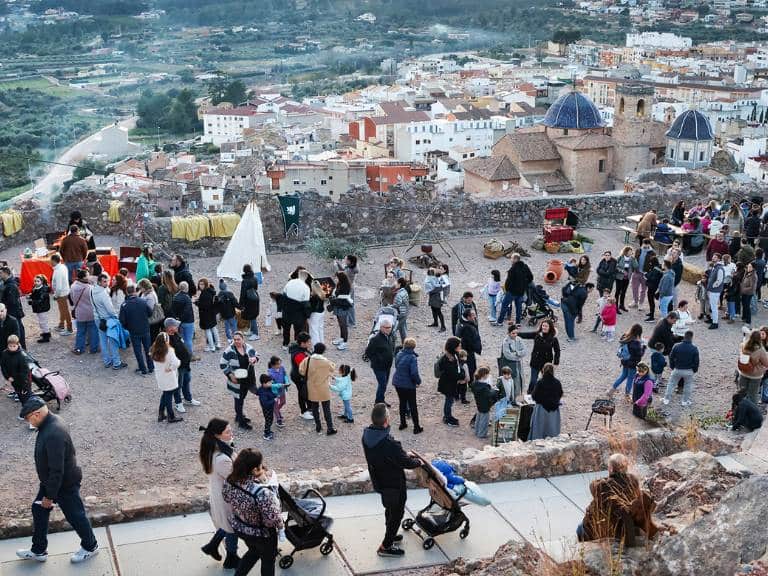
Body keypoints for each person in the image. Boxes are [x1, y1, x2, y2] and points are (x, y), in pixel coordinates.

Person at [15, 397, 99, 564]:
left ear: (37, 414)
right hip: (52, 482)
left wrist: (49, 496)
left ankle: (91, 546)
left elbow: (57, 470)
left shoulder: (53, 432)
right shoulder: (50, 421)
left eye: (28, 418)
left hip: (63, 484)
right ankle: (39, 550)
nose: (28, 423)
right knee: (38, 510)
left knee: (75, 515)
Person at [362, 403, 422, 558]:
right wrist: (418, 462)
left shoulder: (367, 436)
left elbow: (392, 456)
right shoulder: (389, 444)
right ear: (386, 421)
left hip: (380, 481)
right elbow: (406, 462)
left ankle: (391, 533)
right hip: (394, 483)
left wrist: (400, 454)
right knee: (396, 513)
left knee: (389, 509)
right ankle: (386, 546)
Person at [221, 449, 283, 576]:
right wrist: (271, 489)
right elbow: (272, 519)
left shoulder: (230, 480)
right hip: (262, 535)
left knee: (253, 552)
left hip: (241, 528)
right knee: (267, 562)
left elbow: (226, 497)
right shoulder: (262, 493)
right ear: (255, 470)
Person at [199, 418, 240, 569]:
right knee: (232, 527)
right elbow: (235, 478)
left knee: (226, 523)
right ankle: (231, 558)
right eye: (227, 432)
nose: (231, 433)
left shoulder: (212, 449)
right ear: (218, 435)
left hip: (219, 494)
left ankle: (212, 546)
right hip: (226, 499)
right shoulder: (222, 458)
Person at [577, 454, 645, 542]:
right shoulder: (633, 480)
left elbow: (592, 487)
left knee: (579, 528)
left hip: (610, 528)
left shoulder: (602, 484)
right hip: (627, 524)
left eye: (609, 467)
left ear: (611, 469)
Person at [220, 331, 259, 430]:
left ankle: (239, 416)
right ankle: (241, 422)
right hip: (237, 381)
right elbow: (223, 364)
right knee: (239, 400)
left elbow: (257, 356)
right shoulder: (229, 351)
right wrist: (230, 375)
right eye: (235, 339)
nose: (236, 341)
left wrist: (254, 359)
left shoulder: (248, 347)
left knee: (243, 397)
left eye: (238, 339)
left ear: (243, 339)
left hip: (249, 378)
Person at [163, 317, 200, 412]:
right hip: (178, 367)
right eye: (176, 325)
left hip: (185, 364)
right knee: (177, 385)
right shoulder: (166, 339)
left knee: (186, 381)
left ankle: (188, 399)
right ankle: (178, 403)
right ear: (170, 327)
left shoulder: (176, 334)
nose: (178, 326)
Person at [299, 342, 337, 435]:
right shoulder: (326, 362)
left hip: (312, 388)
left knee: (315, 408)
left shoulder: (307, 360)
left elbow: (301, 371)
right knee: (326, 409)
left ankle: (318, 427)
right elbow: (333, 368)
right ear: (323, 351)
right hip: (323, 388)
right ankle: (330, 428)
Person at [91, 274, 126, 370]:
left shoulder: (92, 290)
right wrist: (116, 317)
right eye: (104, 281)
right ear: (99, 282)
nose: (107, 283)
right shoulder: (103, 294)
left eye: (107, 281)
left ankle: (107, 361)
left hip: (97, 318)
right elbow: (110, 309)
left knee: (102, 341)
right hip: (107, 319)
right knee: (113, 341)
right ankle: (116, 363)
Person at [119, 284, 154, 376]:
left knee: (138, 351)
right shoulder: (142, 301)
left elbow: (122, 320)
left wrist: (128, 327)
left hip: (133, 331)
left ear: (127, 292)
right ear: (135, 291)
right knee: (148, 349)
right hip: (145, 329)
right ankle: (151, 367)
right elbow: (150, 313)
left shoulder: (124, 305)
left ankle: (143, 369)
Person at [519, 318, 560, 394]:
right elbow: (526, 335)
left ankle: (545, 395)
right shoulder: (537, 334)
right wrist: (516, 333)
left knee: (547, 381)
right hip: (535, 362)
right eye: (543, 325)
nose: (544, 327)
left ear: (550, 327)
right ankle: (530, 394)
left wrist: (556, 362)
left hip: (546, 364)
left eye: (546, 326)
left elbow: (557, 351)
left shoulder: (553, 339)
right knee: (533, 381)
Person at [150, 332, 182, 423]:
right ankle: (170, 416)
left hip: (160, 376)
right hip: (168, 377)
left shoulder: (153, 349)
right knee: (168, 395)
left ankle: (161, 414)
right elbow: (176, 363)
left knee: (165, 394)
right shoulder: (169, 350)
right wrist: (171, 368)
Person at [392, 337, 422, 434]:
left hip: (398, 382)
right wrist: (418, 381)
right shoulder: (412, 357)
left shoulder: (399, 354)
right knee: (413, 405)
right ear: (414, 347)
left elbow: (396, 366)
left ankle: (403, 423)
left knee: (402, 403)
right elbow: (414, 373)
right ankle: (416, 427)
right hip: (408, 385)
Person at [663, 330, 700, 407]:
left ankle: (666, 399)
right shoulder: (694, 348)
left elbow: (671, 357)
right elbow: (696, 361)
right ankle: (685, 401)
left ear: (684, 336)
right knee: (688, 385)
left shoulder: (676, 346)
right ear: (691, 337)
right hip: (689, 371)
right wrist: (694, 370)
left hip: (677, 369)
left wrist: (672, 366)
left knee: (671, 384)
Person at [528, 363, 563, 440]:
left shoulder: (540, 382)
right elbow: (560, 394)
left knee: (539, 430)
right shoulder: (557, 382)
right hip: (553, 410)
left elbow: (534, 396)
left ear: (543, 370)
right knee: (552, 431)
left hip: (541, 409)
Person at [497, 253, 533, 326]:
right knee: (518, 308)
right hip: (521, 292)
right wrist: (524, 284)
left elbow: (508, 282)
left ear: (515, 259)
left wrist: (507, 289)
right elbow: (531, 277)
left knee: (504, 305)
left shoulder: (512, 269)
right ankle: (518, 323)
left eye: (512, 258)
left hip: (511, 292)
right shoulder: (525, 267)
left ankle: (500, 322)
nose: (511, 260)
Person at [610, 323, 645, 398]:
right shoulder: (636, 343)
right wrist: (644, 348)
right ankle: (627, 394)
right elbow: (639, 355)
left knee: (623, 376)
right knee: (630, 378)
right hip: (632, 364)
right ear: (639, 333)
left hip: (625, 361)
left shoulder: (626, 337)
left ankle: (611, 390)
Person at [365, 318, 395, 405]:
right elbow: (368, 352)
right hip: (379, 367)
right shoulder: (375, 339)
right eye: (386, 327)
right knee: (382, 384)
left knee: (384, 384)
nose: (389, 329)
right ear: (381, 327)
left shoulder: (389, 336)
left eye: (390, 327)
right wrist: (378, 360)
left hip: (387, 366)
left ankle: (381, 399)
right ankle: (378, 402)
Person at [2, 334, 30, 420]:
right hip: (14, 381)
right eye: (10, 346)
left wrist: (23, 382)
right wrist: (8, 377)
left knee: (25, 397)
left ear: (18, 345)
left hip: (23, 381)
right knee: (20, 395)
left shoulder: (21, 356)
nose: (12, 348)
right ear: (8, 345)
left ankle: (27, 414)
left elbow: (25, 371)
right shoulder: (4, 354)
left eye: (14, 346)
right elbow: (3, 367)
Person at [70, 270, 98, 355]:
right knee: (93, 331)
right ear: (84, 277)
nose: (89, 277)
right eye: (88, 275)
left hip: (80, 312)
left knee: (80, 332)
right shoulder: (90, 288)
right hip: (90, 313)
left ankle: (79, 348)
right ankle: (94, 348)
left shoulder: (73, 286)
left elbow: (71, 298)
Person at [436, 337, 463, 426]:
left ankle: (448, 415)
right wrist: (462, 376)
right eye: (459, 346)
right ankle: (447, 417)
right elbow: (453, 373)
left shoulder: (453, 354)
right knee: (449, 401)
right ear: (454, 347)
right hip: (448, 384)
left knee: (450, 401)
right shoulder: (447, 359)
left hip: (450, 383)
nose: (460, 347)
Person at [736, 329, 768, 405]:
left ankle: (739, 407)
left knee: (742, 391)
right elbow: (766, 363)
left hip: (743, 372)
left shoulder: (743, 345)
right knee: (753, 394)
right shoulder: (760, 350)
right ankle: (751, 410)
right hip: (755, 376)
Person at [282, 270, 310, 348]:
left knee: (286, 329)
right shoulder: (306, 288)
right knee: (298, 330)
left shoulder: (290, 282)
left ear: (298, 275)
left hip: (287, 310)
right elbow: (306, 304)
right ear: (306, 277)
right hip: (298, 313)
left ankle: (285, 344)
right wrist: (307, 315)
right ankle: (296, 344)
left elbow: (283, 295)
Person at [289, 332, 314, 421]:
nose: (310, 343)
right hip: (299, 377)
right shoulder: (299, 355)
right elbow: (305, 368)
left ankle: (310, 407)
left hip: (300, 375)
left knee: (306, 391)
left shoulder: (301, 348)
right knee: (302, 393)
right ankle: (303, 411)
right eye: (308, 342)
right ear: (302, 343)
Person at [470, 365, 499, 439]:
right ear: (485, 375)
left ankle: (477, 431)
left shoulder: (474, 384)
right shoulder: (484, 386)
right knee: (484, 420)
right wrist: (495, 391)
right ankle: (482, 434)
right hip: (485, 405)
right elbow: (489, 395)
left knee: (479, 418)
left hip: (479, 403)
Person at [0, 267, 25, 348]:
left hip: (13, 313)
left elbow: (12, 302)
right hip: (11, 312)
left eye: (1, 273)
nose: (0, 275)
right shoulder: (7, 284)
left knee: (17, 332)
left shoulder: (11, 285)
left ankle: (21, 350)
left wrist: (4, 308)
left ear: (6, 273)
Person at [498, 323, 526, 395]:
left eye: (516, 333)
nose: (515, 335)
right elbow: (508, 355)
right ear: (509, 333)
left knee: (519, 379)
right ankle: (510, 397)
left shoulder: (519, 339)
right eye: (513, 333)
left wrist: (516, 353)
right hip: (509, 364)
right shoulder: (506, 341)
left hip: (518, 364)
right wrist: (519, 355)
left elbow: (524, 351)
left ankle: (517, 396)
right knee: (510, 380)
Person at [170, 280, 196, 355]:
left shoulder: (175, 297)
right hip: (188, 321)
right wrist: (181, 319)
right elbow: (187, 311)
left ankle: (183, 354)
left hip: (179, 322)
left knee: (182, 339)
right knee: (188, 339)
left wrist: (177, 319)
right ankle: (190, 355)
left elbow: (173, 310)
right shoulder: (187, 298)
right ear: (186, 288)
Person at [50, 253, 73, 336]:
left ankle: (69, 328)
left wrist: (56, 295)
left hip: (61, 294)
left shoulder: (58, 271)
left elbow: (59, 287)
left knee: (65, 311)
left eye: (51, 261)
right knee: (62, 310)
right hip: (64, 291)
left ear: (53, 261)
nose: (50, 262)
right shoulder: (63, 266)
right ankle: (61, 325)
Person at [457, 308, 482, 384]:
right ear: (468, 317)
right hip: (468, 351)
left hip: (468, 350)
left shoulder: (464, 322)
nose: (475, 316)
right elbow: (468, 341)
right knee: (470, 367)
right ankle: (471, 383)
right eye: (473, 315)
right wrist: (475, 348)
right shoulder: (467, 328)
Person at [330, 271, 353, 351]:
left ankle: (345, 342)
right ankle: (341, 338)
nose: (336, 279)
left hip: (342, 307)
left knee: (344, 325)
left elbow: (341, 297)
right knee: (340, 324)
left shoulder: (346, 286)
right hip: (338, 306)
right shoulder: (340, 284)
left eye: (337, 277)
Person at [196, 278, 221, 352]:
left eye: (202, 284)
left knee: (208, 330)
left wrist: (197, 303)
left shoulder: (204, 293)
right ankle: (218, 344)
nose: (201, 286)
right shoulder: (211, 291)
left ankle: (211, 346)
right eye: (200, 284)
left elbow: (204, 305)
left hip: (206, 314)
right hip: (212, 313)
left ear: (206, 284)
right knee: (214, 328)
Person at [335, 254, 359, 326]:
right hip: (349, 288)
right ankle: (349, 321)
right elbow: (343, 269)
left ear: (349, 261)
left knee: (350, 305)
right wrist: (338, 264)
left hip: (349, 289)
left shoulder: (350, 270)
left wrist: (337, 266)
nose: (344, 260)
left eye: (346, 259)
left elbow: (342, 273)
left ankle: (352, 322)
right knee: (349, 304)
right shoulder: (350, 267)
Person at [28, 274, 52, 343]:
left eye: (38, 281)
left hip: (42, 308)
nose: (36, 282)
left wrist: (32, 302)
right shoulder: (35, 287)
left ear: (42, 281)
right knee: (42, 321)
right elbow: (34, 293)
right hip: (39, 308)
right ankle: (46, 332)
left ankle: (46, 336)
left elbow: (40, 299)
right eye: (35, 281)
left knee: (43, 322)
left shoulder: (44, 289)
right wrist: (30, 295)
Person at [240, 264, 260, 341]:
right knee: (253, 315)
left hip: (248, 300)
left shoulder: (244, 281)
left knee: (252, 317)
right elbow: (256, 288)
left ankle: (256, 334)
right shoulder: (255, 277)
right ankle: (252, 331)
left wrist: (241, 304)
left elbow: (243, 293)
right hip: (255, 297)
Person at [267, 356, 288, 428]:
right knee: (275, 405)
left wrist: (287, 382)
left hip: (282, 389)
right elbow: (271, 385)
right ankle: (278, 419)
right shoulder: (270, 374)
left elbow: (285, 375)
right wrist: (281, 385)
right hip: (274, 392)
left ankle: (276, 411)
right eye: (278, 364)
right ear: (273, 365)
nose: (280, 365)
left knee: (283, 402)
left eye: (280, 363)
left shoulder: (282, 368)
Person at [631, 240, 653, 310]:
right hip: (636, 272)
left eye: (647, 244)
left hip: (645, 274)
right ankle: (635, 301)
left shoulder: (652, 253)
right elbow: (634, 260)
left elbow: (653, 264)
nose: (645, 246)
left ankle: (641, 303)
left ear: (649, 244)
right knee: (634, 288)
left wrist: (649, 273)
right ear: (642, 244)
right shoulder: (638, 250)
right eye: (644, 244)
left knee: (643, 290)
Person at [706, 254, 726, 329]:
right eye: (713, 256)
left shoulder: (720, 268)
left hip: (715, 291)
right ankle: (712, 319)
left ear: (719, 259)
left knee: (714, 307)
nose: (713, 258)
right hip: (712, 290)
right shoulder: (715, 267)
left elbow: (719, 280)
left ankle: (715, 323)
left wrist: (713, 286)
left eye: (715, 257)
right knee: (712, 305)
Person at [614, 246, 636, 312]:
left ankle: (621, 305)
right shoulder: (620, 258)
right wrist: (622, 271)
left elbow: (636, 266)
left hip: (627, 278)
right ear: (626, 251)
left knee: (624, 292)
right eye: (629, 251)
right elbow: (615, 266)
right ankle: (615, 307)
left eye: (631, 251)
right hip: (619, 277)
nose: (631, 252)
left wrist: (634, 259)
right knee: (617, 292)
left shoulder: (632, 259)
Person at [255, 374, 277, 441]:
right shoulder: (263, 393)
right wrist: (274, 400)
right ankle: (266, 434)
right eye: (269, 382)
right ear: (264, 383)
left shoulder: (267, 388)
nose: (271, 383)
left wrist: (274, 395)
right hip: (267, 409)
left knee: (271, 419)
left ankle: (268, 431)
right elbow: (265, 404)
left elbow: (271, 394)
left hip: (270, 408)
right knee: (268, 421)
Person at [392, 277, 410, 345]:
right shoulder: (404, 291)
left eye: (396, 282)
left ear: (399, 284)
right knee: (403, 329)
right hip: (405, 312)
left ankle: (392, 342)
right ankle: (405, 343)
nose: (395, 283)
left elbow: (396, 305)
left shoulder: (399, 294)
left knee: (394, 329)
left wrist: (389, 306)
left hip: (400, 313)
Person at [741, 262, 757, 327]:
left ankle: (748, 321)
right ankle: (744, 317)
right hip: (744, 293)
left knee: (747, 307)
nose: (748, 268)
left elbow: (752, 287)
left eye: (750, 267)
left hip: (748, 293)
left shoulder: (753, 276)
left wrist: (743, 289)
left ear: (753, 268)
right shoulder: (747, 273)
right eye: (748, 266)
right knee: (744, 305)